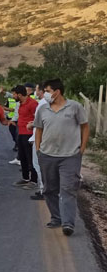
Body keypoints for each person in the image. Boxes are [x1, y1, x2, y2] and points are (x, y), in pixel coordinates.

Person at [34, 79, 89, 236]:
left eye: (47, 90)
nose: (45, 94)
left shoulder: (75, 107)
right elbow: (38, 130)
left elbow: (85, 126)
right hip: (47, 155)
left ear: (57, 92)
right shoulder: (43, 109)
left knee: (68, 189)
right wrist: (38, 150)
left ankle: (68, 223)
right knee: (49, 189)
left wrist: (82, 148)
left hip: (70, 156)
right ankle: (57, 217)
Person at [12, 85, 39, 189]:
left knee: (30, 158)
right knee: (22, 157)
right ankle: (25, 178)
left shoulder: (33, 104)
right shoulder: (20, 104)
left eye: (14, 94)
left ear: (19, 94)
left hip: (29, 134)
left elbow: (38, 118)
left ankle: (33, 181)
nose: (13, 96)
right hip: (21, 133)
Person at [27, 84, 49, 200]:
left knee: (38, 165)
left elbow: (41, 122)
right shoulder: (44, 103)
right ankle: (43, 189)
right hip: (39, 137)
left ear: (41, 91)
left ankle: (44, 190)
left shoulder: (44, 103)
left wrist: (32, 124)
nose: (35, 92)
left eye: (36, 90)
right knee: (39, 165)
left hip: (40, 139)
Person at [0, 85, 19, 158]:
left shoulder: (22, 100)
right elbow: (4, 106)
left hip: (18, 120)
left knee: (18, 134)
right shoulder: (10, 99)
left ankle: (18, 146)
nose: (13, 95)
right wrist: (8, 109)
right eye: (12, 93)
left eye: (14, 94)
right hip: (11, 119)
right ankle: (17, 143)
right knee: (13, 133)